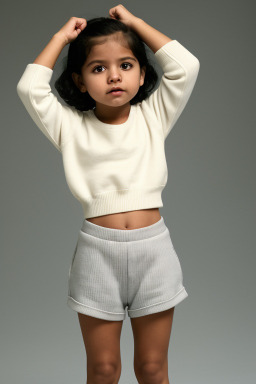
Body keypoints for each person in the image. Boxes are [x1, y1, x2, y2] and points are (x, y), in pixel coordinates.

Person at [17, 5, 200, 383]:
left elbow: (186, 66)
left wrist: (135, 24)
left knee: (152, 368)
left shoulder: (153, 116)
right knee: (103, 370)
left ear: (142, 73)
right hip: (98, 255)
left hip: (155, 253)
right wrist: (60, 39)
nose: (114, 76)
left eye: (126, 65)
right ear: (80, 81)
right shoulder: (70, 127)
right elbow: (30, 88)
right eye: (98, 68)